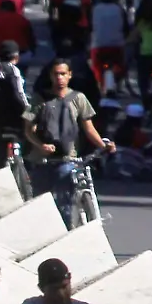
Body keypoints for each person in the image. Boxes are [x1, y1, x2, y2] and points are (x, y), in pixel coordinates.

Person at [26, 57, 113, 224]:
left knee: (65, 205)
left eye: (63, 74)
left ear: (70, 75)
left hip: (67, 159)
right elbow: (28, 129)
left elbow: (89, 128)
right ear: (50, 76)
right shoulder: (39, 99)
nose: (59, 78)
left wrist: (104, 146)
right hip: (42, 161)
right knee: (39, 207)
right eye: (56, 74)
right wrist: (40, 145)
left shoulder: (78, 98)